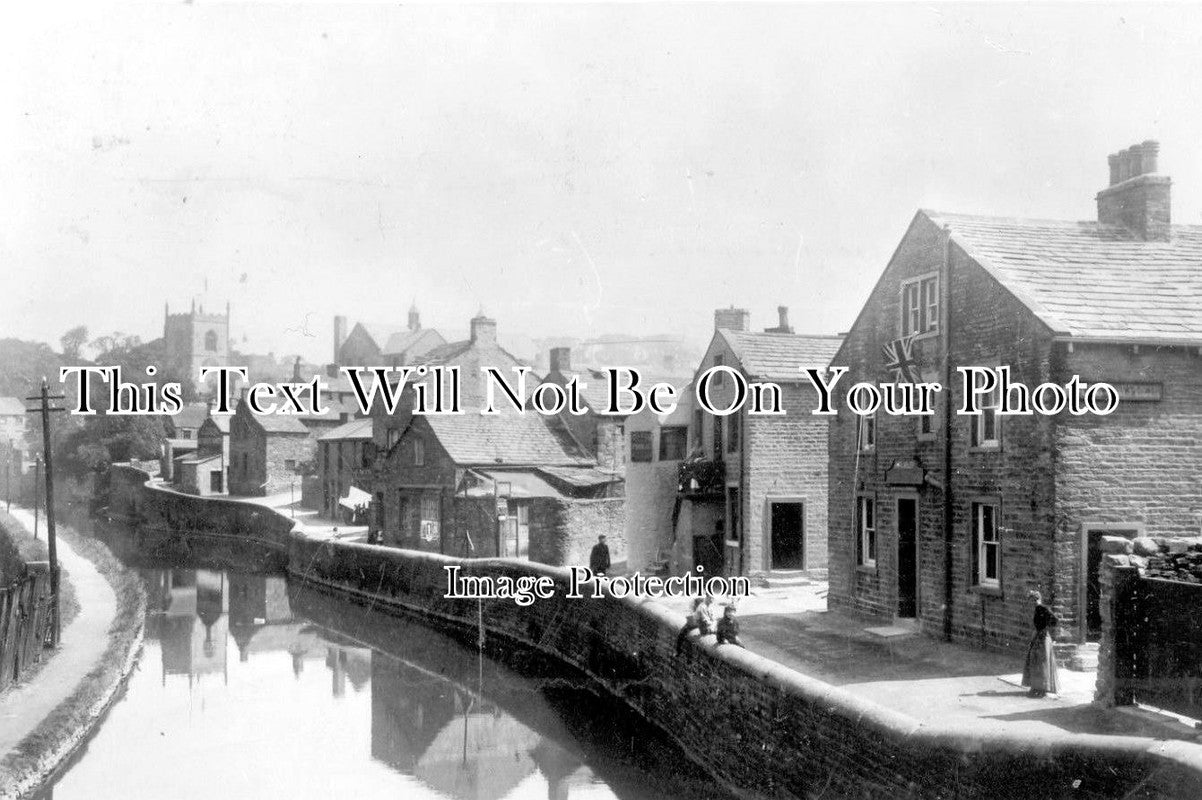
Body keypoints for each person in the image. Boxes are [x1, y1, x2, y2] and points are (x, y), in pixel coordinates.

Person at [1021, 589, 1060, 698]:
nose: (1033, 602)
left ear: (1038, 599)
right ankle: (1036, 687)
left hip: (1043, 638)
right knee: (1035, 661)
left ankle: (1042, 689)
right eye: (1031, 600)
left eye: (1034, 600)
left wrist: (1045, 628)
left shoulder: (1042, 608)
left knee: (1041, 662)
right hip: (1038, 636)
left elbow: (1055, 620)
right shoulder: (1038, 609)